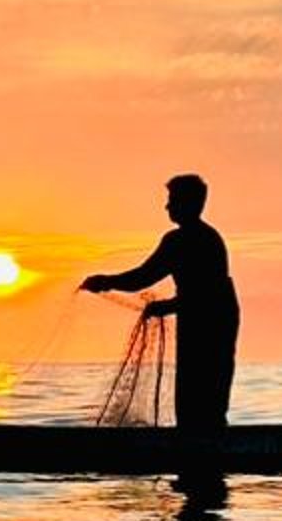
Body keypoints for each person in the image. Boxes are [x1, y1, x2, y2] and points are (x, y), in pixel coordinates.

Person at [81, 175, 240, 436]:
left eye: (172, 201)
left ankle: (202, 450)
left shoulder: (184, 240)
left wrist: (105, 282)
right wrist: (168, 306)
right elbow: (196, 293)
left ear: (189, 203)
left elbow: (145, 278)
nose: (167, 207)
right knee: (205, 394)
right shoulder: (207, 237)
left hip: (211, 318)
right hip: (210, 313)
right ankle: (205, 450)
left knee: (202, 390)